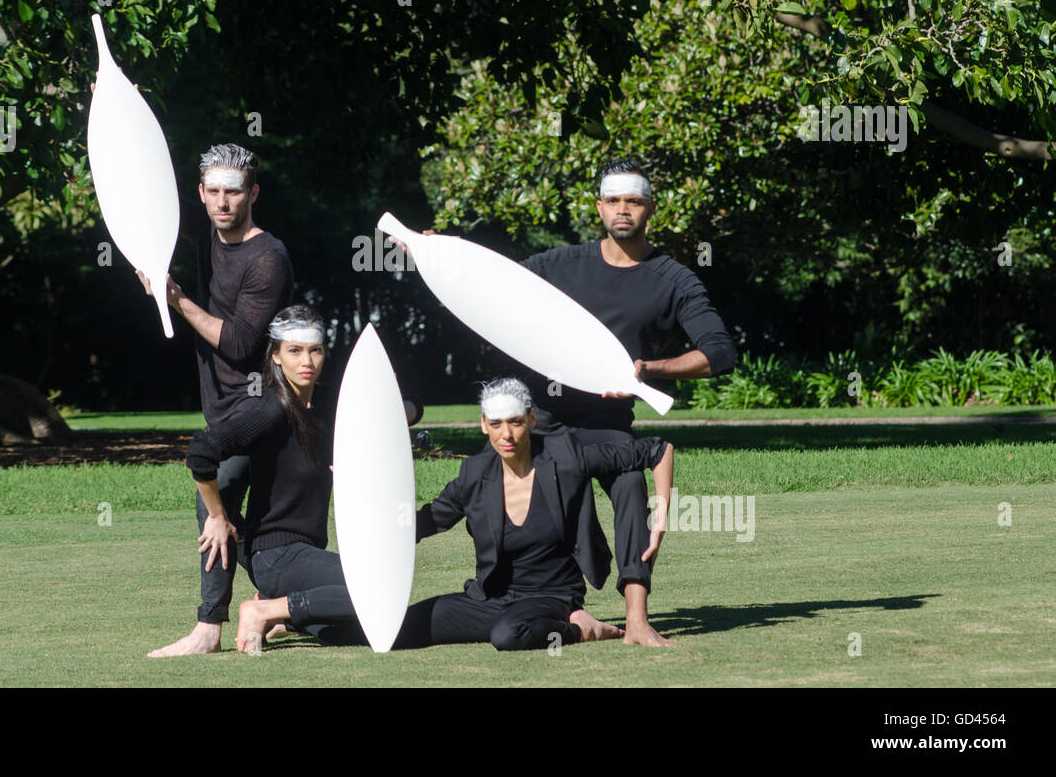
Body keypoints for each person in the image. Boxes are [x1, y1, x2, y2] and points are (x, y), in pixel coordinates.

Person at [235, 377, 674, 653]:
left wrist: (661, 512)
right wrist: (363, 486)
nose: (507, 434)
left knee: (509, 636)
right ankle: (288, 619)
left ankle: (581, 627)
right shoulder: (474, 474)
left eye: (517, 422)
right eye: (496, 424)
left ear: (532, 419)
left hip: (551, 597)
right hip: (487, 599)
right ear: (484, 424)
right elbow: (425, 522)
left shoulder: (568, 457)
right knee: (383, 631)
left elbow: (657, 449)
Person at [520, 158, 735, 646]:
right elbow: (493, 289)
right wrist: (434, 252)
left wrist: (648, 370)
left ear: (651, 209)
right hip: (545, 423)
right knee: (555, 493)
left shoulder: (672, 279)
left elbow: (719, 353)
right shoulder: (557, 265)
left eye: (634, 201)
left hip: (610, 426)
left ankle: (636, 616)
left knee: (632, 486)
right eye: (613, 200)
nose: (623, 210)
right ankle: (569, 608)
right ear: (598, 207)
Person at [143, 143, 294, 657]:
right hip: (222, 402)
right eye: (213, 191)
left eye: (234, 191)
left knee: (218, 498)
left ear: (253, 192)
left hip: (266, 402)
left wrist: (177, 299)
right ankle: (281, 602)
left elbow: (239, 344)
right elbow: (146, 198)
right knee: (253, 523)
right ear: (201, 194)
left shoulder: (268, 257)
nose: (223, 202)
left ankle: (210, 627)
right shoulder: (207, 233)